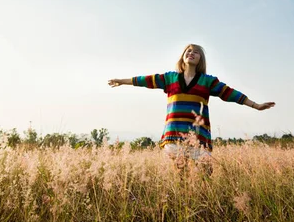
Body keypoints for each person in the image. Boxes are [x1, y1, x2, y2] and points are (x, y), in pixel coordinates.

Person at [108, 44, 275, 172]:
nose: (191, 53)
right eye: (188, 51)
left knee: (205, 173)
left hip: (199, 137)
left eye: (195, 52)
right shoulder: (170, 78)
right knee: (180, 178)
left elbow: (230, 93)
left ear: (200, 60)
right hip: (173, 135)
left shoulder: (208, 81)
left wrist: (255, 105)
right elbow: (145, 80)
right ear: (182, 57)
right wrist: (122, 81)